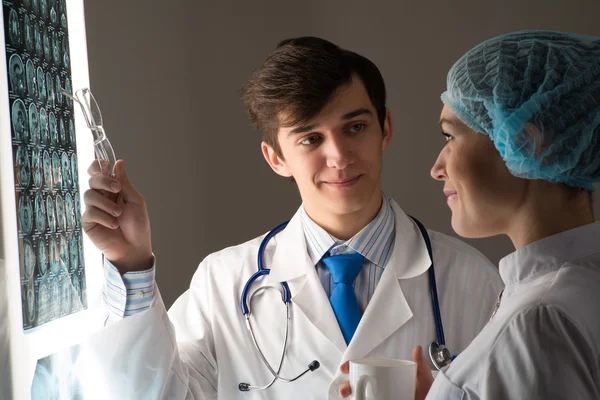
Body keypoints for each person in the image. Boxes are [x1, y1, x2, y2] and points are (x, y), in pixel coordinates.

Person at [81, 37, 503, 399]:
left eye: (355, 127)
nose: (338, 156)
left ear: (385, 128)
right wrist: (131, 261)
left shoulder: (471, 282)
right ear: (276, 157)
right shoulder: (224, 284)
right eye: (311, 138)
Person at [344, 30, 600, 400]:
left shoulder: (539, 320)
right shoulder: (578, 286)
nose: (436, 168)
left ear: (527, 141)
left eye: (450, 137)